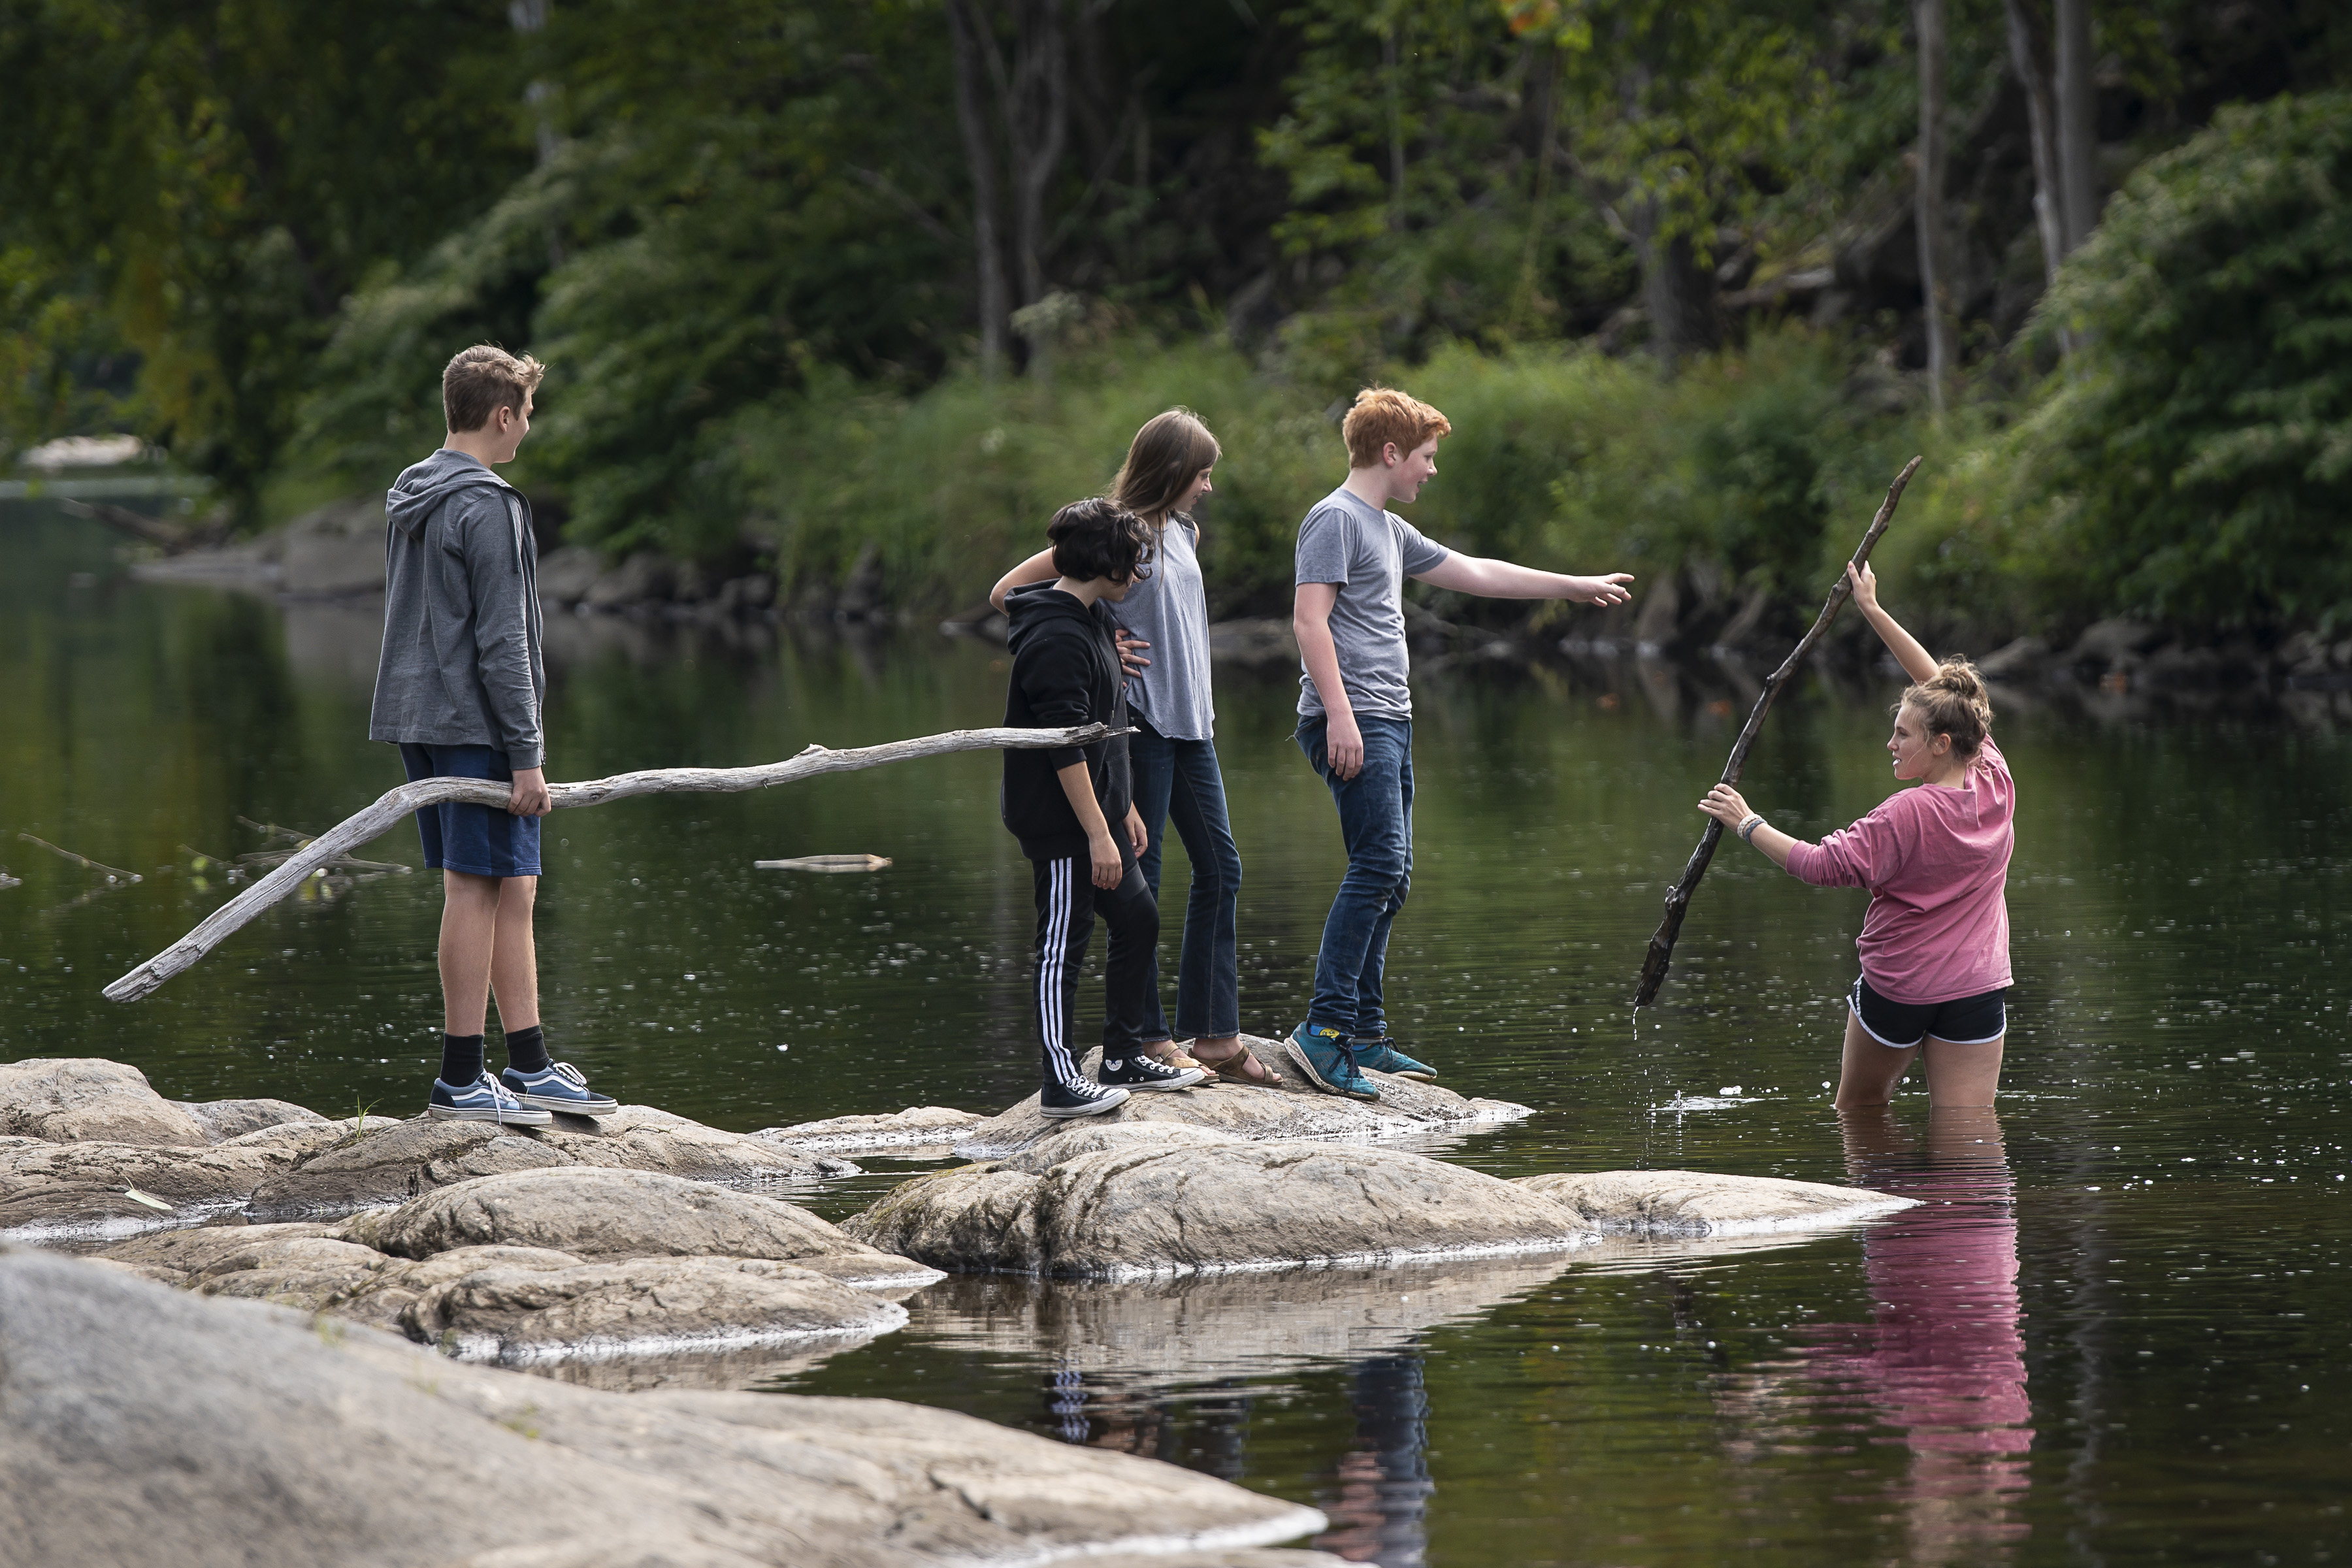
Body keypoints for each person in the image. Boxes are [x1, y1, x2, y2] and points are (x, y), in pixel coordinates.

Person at [1288, 387, 1633, 1100]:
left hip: (1391, 718)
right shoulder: (1335, 519)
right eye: (1426, 457)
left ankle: (1367, 1035)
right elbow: (1309, 623)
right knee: (1378, 864)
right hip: (1354, 719)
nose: (1431, 471)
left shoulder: (1386, 528)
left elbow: (1473, 571)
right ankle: (1322, 1035)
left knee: (1394, 873)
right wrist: (1341, 716)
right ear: (1390, 453)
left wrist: (1570, 587)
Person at [988, 410, 1277, 1085]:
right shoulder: (1114, 533)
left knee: (1222, 869)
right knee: (1145, 882)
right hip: (1137, 726)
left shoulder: (1186, 531)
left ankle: (1216, 1035)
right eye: (1201, 473)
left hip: (1192, 727)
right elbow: (1010, 593)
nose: (1208, 486)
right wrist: (1099, 637)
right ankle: (1147, 1037)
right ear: (1172, 471)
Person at [370, 344, 617, 1125]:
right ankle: (459, 1078)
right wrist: (527, 755)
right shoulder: (488, 504)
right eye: (528, 416)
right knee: (477, 888)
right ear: (503, 414)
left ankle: (532, 1064)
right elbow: (502, 641)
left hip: (420, 713)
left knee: (512, 884)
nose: (527, 432)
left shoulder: (416, 491)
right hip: (475, 721)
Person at [1698, 563, 2015, 1108]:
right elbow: (1943, 692)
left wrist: (1748, 823)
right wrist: (1872, 609)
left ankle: (1878, 1194)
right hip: (1978, 989)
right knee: (1970, 1131)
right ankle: (1972, 1200)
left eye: (1902, 734)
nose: (1890, 744)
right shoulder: (1994, 777)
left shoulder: (1905, 812)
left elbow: (1821, 866)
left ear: (1940, 743)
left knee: (1859, 1114)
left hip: (1902, 988)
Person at [1002, 497, 1210, 1117]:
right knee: (1063, 944)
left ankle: (1120, 1056)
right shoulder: (1054, 636)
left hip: (1100, 814)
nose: (1140, 577)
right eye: (1134, 565)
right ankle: (1059, 1080)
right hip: (1061, 823)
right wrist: (1097, 834)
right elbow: (1066, 752)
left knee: (1139, 919)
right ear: (1107, 566)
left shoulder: (1090, 617)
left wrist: (1123, 811)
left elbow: (1107, 725)